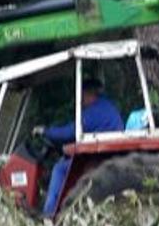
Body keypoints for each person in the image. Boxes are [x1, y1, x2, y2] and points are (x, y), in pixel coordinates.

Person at [34, 78, 123, 217]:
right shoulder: (108, 107)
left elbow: (70, 132)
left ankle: (49, 212)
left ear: (89, 94)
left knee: (59, 169)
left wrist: (46, 131)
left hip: (98, 157)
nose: (81, 100)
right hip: (103, 152)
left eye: (82, 96)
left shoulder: (95, 112)